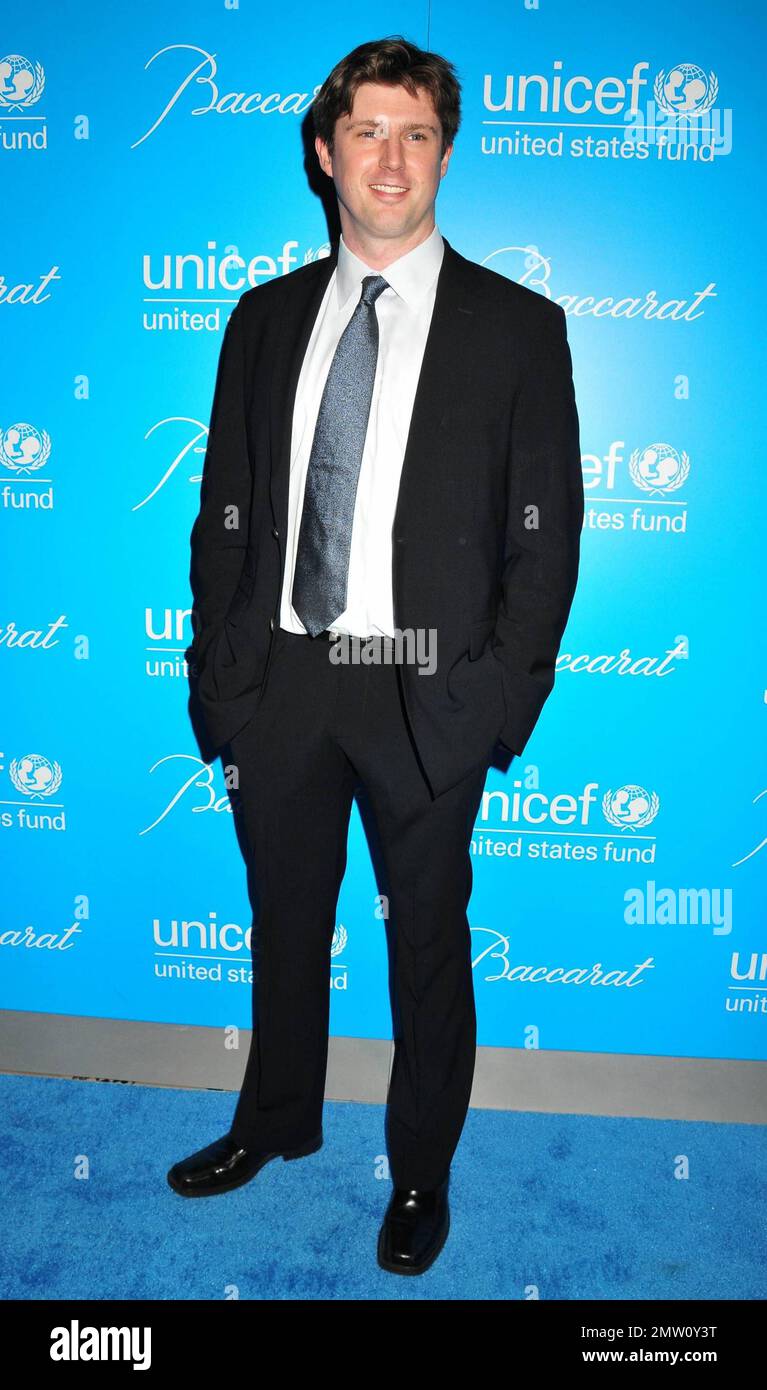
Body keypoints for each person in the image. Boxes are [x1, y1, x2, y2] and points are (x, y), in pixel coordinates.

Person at [167, 35, 584, 1277]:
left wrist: (493, 698)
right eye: (365, 131)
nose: (388, 157)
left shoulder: (518, 327)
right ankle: (275, 1121)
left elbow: (546, 534)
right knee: (282, 922)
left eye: (414, 133)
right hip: (283, 678)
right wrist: (221, 677)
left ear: (443, 153)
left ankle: (418, 1174)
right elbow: (223, 507)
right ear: (323, 152)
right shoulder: (262, 318)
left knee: (424, 941)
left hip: (427, 686)